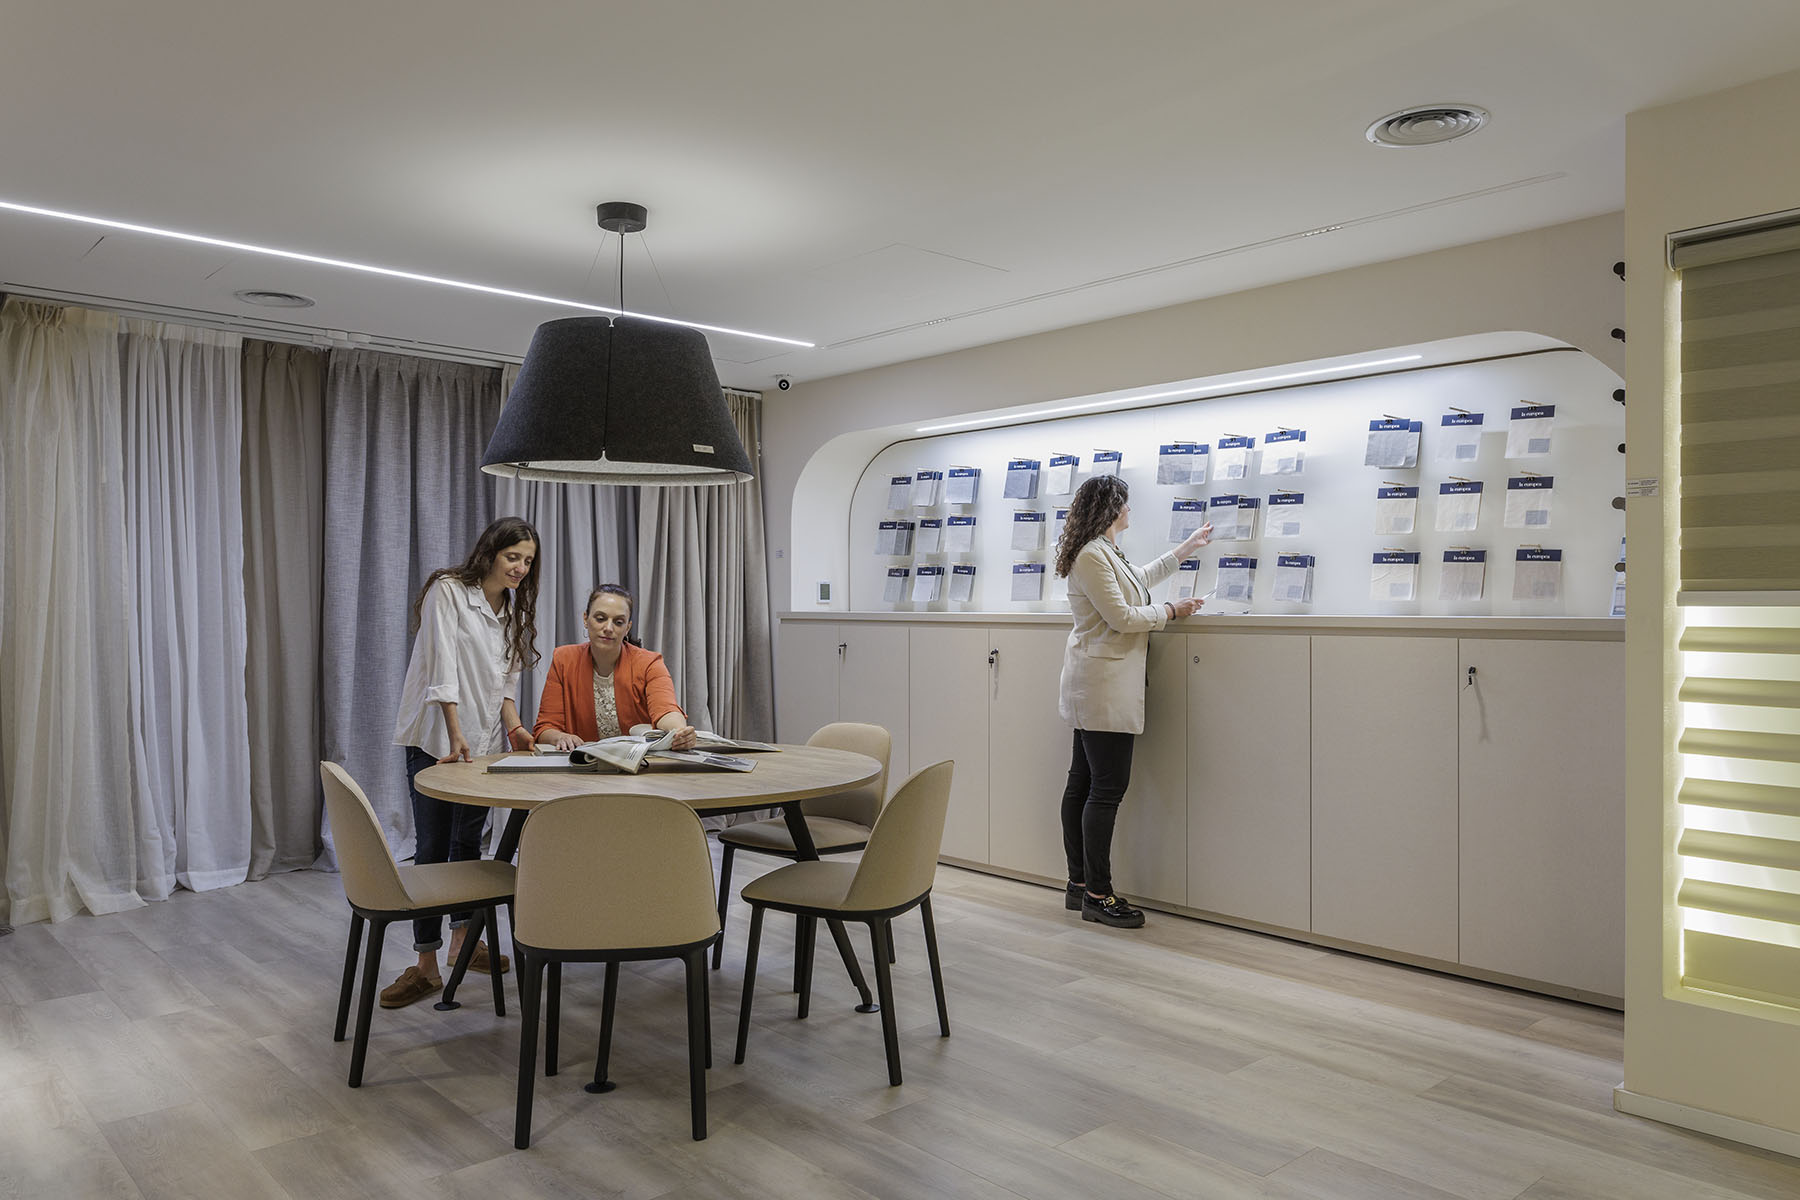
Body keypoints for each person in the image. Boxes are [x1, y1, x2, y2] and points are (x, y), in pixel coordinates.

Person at [383, 516, 541, 1008]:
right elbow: (442, 666)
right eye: (512, 557)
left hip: (483, 746)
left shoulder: (512, 610)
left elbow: (505, 686)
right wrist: (454, 731)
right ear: (490, 552)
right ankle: (425, 964)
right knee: (432, 849)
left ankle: (462, 945)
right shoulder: (448, 591)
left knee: (469, 846)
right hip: (437, 740)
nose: (519, 568)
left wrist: (515, 728)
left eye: (527, 561)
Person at [1055, 474, 1211, 928]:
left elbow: (1138, 580)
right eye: (1125, 503)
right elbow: (1122, 617)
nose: (1129, 510)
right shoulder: (1091, 555)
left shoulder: (1103, 551)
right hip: (1101, 686)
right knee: (1104, 790)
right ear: (1110, 508)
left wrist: (1186, 549)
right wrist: (1171, 611)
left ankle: (1079, 885)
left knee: (1083, 783)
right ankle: (1097, 895)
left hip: (1097, 684)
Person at [533, 584, 698, 752]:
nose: (608, 628)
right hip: (584, 763)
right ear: (585, 619)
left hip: (639, 763)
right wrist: (560, 737)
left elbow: (666, 710)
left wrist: (680, 732)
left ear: (627, 628)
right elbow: (546, 727)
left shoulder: (650, 662)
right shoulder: (563, 659)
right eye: (600, 618)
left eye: (618, 622)